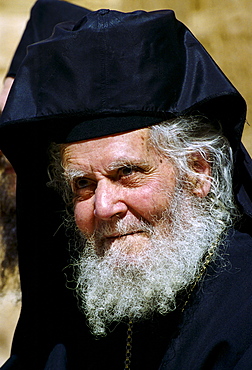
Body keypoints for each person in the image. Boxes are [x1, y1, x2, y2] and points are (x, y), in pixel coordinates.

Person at [0, 1, 252, 369]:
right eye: (83, 183)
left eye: (127, 174)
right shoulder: (75, 312)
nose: (103, 206)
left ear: (199, 171)